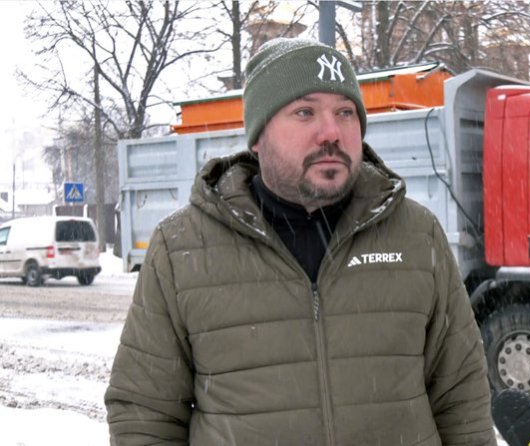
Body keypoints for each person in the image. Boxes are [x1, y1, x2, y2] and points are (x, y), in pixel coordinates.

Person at [105, 37, 496, 445]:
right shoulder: (182, 248)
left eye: (345, 112)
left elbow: (462, 398)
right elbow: (145, 414)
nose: (331, 132)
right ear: (258, 135)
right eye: (305, 112)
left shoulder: (417, 234)